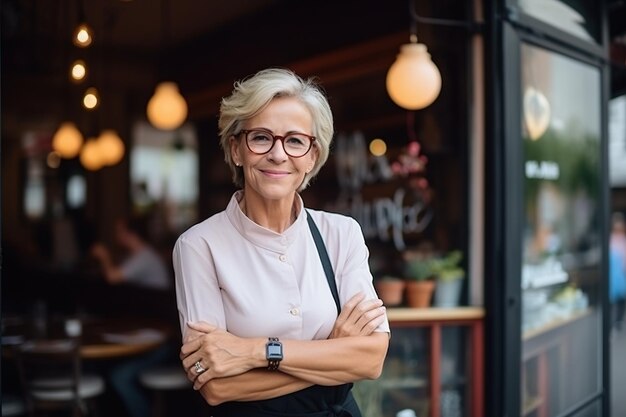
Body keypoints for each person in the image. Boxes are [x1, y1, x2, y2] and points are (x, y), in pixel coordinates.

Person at [173, 68, 390, 416]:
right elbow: (215, 386)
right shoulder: (199, 245)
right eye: (260, 137)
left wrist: (256, 352)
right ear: (237, 149)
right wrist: (332, 352)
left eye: (295, 140)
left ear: (312, 156)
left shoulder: (341, 233)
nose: (278, 154)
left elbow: (371, 359)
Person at [91, 215, 171, 291]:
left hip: (157, 302)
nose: (116, 235)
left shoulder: (144, 257)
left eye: (119, 231)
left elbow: (113, 278)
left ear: (131, 234)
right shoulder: (135, 254)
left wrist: (104, 256)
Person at [610, 212, 626, 332]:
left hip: (621, 273)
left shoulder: (623, 240)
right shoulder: (610, 240)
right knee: (612, 298)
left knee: (621, 298)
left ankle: (618, 320)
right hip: (613, 274)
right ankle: (612, 321)